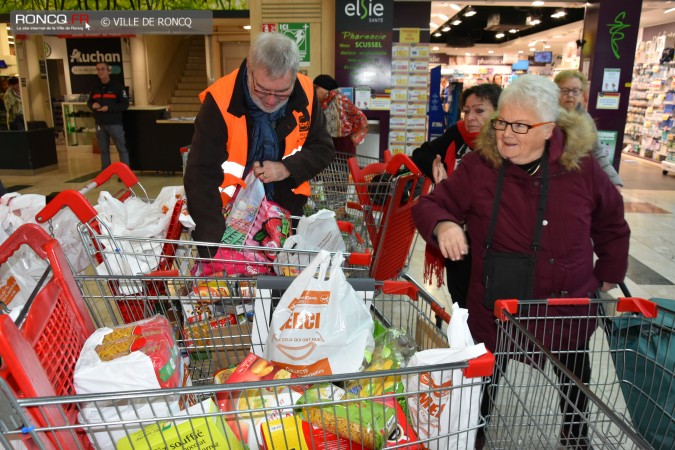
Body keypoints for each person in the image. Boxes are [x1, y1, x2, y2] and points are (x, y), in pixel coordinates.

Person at [413, 75, 629, 449]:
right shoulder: (481, 167)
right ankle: (473, 435)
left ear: (549, 129)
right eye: (502, 123)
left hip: (565, 301)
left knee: (575, 371)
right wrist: (445, 223)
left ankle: (575, 435)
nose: (506, 134)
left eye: (520, 126)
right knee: (485, 376)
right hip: (498, 302)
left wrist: (610, 269)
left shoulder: (581, 167)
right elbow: (431, 205)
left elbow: (611, 221)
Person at [184, 32, 334, 253]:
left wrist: (287, 168)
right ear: (249, 71)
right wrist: (212, 246)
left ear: (294, 77)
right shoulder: (219, 101)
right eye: (262, 90)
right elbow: (200, 174)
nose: (271, 100)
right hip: (227, 220)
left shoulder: (306, 93)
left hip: (285, 218)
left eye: (282, 92)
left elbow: (322, 149)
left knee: (281, 285)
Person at [412, 83, 502, 308]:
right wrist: (434, 164)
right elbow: (419, 154)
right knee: (460, 300)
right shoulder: (458, 135)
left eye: (479, 111)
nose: (470, 117)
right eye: (467, 111)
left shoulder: (508, 148)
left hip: (493, 245)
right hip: (458, 235)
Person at [554, 70, 623, 188]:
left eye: (575, 91)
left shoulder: (586, 119)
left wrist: (614, 180)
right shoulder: (547, 116)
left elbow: (597, 152)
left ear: (581, 94)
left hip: (577, 181)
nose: (570, 95)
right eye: (564, 90)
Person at [87, 62, 130, 170]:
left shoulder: (118, 87)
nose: (100, 71)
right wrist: (92, 105)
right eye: (98, 69)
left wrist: (109, 108)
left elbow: (125, 104)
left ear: (108, 70)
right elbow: (89, 102)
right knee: (103, 149)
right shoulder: (95, 88)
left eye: (103, 69)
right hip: (100, 123)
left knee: (121, 148)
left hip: (114, 123)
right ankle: (105, 171)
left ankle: (125, 172)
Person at [313, 74, 368, 155]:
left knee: (342, 166)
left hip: (343, 144)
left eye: (316, 88)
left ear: (326, 89)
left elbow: (361, 119)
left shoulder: (341, 100)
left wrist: (357, 136)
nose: (313, 91)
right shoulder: (319, 104)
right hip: (326, 143)